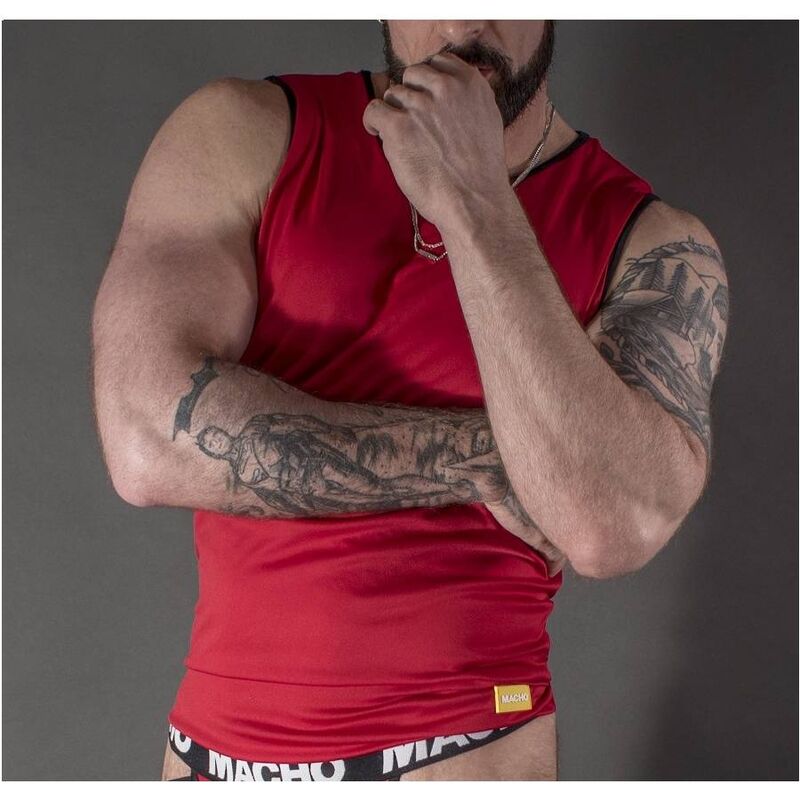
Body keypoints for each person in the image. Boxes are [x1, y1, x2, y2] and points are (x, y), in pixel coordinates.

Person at [91, 20, 729, 781]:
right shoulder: (243, 134)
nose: (462, 25)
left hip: (462, 751)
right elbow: (146, 437)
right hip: (211, 755)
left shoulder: (652, 243)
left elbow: (614, 523)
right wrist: (500, 458)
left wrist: (476, 197)